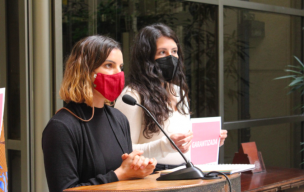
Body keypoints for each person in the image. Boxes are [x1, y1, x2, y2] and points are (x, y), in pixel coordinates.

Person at [42, 35, 156, 192]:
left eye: (121, 67)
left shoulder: (119, 119)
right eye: (109, 65)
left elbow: (125, 178)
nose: (118, 74)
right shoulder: (61, 127)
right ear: (84, 71)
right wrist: (119, 174)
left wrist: (138, 169)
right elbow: (64, 190)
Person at [115, 23, 227, 171]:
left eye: (174, 51)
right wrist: (164, 146)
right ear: (146, 57)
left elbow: (181, 144)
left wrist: (209, 141)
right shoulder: (132, 96)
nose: (171, 57)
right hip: (152, 176)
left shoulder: (178, 91)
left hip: (185, 172)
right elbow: (123, 151)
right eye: (162, 52)